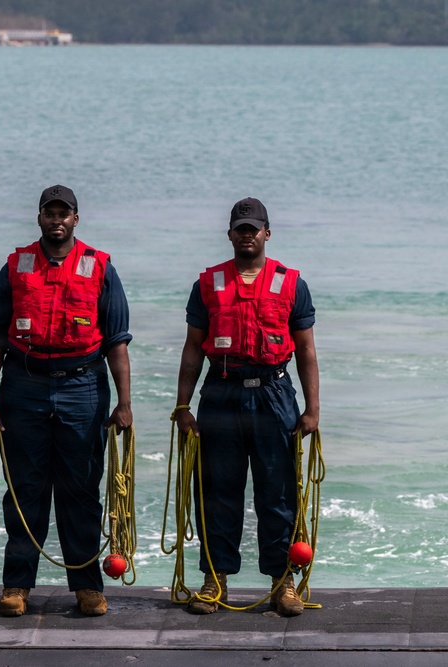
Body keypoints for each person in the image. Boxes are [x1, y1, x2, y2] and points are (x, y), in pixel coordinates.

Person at [0, 185, 133, 618]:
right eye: (50, 213)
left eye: (64, 213)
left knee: (81, 488)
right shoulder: (15, 266)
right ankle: (16, 585)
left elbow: (117, 343)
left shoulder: (99, 266)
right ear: (40, 218)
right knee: (25, 489)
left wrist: (124, 404)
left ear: (75, 219)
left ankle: (87, 586)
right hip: (23, 386)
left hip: (83, 387)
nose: (57, 220)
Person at [173, 197, 319, 617]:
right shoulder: (207, 284)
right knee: (217, 492)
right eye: (240, 229)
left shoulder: (291, 283)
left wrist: (312, 409)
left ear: (267, 233)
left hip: (274, 394)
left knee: (279, 494)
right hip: (221, 393)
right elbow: (192, 348)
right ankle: (214, 580)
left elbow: (306, 351)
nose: (247, 235)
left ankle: (282, 582)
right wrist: (183, 405)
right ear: (230, 234)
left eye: (253, 228)